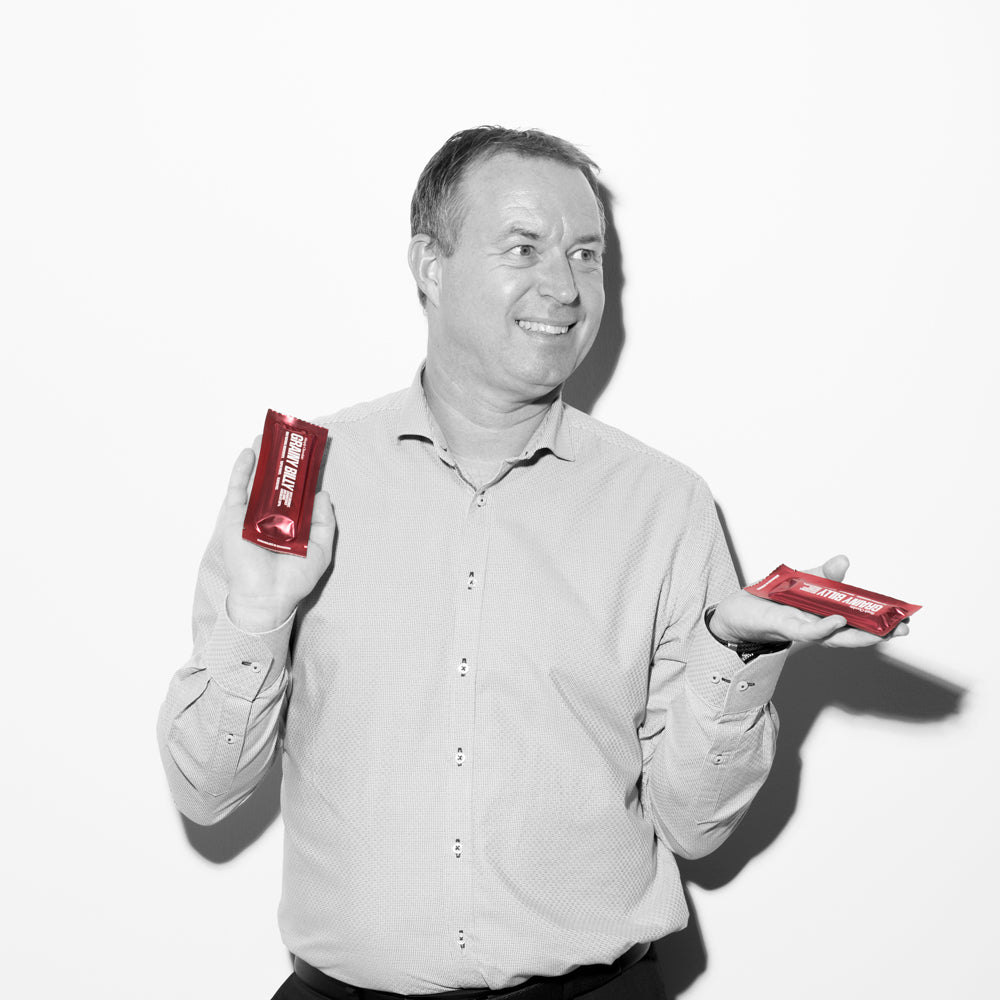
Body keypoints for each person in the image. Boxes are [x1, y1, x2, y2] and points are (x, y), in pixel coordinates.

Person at [158, 127, 908, 1000]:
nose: (565, 286)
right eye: (524, 248)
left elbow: (696, 828)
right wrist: (255, 622)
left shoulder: (665, 505)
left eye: (586, 254)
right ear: (430, 265)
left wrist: (734, 653)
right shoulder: (302, 479)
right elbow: (205, 790)